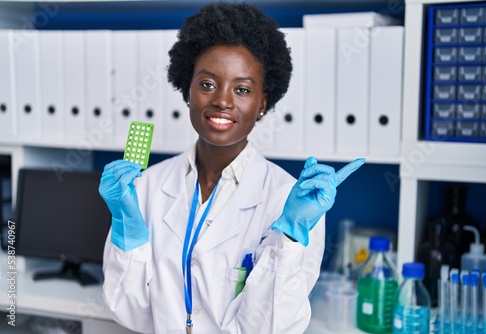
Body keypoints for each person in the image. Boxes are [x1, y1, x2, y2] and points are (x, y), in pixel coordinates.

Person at [98, 2, 364, 333]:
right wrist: (128, 230)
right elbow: (131, 313)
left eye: (242, 90)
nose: (223, 101)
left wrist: (290, 238)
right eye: (207, 84)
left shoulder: (290, 200)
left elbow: (271, 327)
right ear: (188, 90)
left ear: (262, 103)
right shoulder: (146, 187)